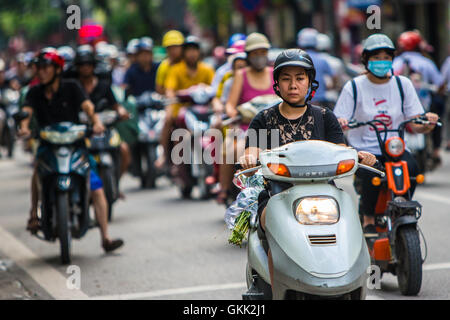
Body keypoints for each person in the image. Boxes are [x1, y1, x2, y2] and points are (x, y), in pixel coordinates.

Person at [238, 48, 376, 294]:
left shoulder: (325, 117)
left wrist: (358, 154)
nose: (293, 85)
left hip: (327, 194)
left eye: (300, 78)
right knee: (269, 227)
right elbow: (252, 151)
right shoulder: (263, 119)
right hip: (276, 194)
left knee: (350, 223)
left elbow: (341, 149)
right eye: (286, 78)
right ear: (277, 85)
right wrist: (249, 157)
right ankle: (277, 291)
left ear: (310, 83)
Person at [333, 33, 439, 237]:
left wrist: (427, 123)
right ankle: (368, 219)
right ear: (365, 60)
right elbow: (338, 121)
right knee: (371, 175)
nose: (382, 62)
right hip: (366, 149)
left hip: (395, 147)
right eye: (376, 58)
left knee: (413, 170)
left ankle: (402, 203)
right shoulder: (354, 87)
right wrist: (342, 122)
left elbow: (416, 122)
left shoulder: (403, 84)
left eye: (386, 57)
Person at [18, 49, 123, 252]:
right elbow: (26, 113)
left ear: (57, 69)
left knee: (97, 188)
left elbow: (88, 107)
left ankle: (106, 237)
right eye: (39, 68)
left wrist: (96, 123)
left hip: (76, 148)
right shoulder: (34, 92)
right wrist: (23, 127)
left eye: (46, 68)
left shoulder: (72, 87)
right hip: (48, 148)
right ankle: (33, 215)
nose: (41, 72)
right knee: (37, 174)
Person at [216, 32, 274, 204]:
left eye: (262, 53)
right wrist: (232, 112)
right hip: (247, 128)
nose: (259, 57)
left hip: (274, 128)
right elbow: (230, 104)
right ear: (248, 56)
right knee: (231, 149)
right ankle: (225, 189)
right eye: (255, 54)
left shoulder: (274, 73)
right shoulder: (241, 75)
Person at [154, 35, 215, 170]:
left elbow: (215, 89)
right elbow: (169, 90)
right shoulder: (174, 69)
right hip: (180, 108)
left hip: (202, 108)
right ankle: (167, 156)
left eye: (195, 50)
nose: (192, 53)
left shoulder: (207, 69)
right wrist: (172, 97)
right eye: (189, 50)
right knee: (169, 120)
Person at [74, 46, 131, 188]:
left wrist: (122, 112)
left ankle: (116, 183)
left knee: (124, 150)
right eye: (82, 64)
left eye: (88, 64)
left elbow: (116, 105)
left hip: (104, 129)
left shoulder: (104, 85)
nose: (85, 68)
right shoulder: (74, 87)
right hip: (83, 132)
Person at [393, 30, 446, 166]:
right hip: (423, 106)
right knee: (436, 118)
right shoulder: (426, 62)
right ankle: (436, 151)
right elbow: (440, 84)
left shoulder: (395, 62)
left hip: (401, 109)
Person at [297, 28, 337, 108]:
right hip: (320, 102)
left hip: (302, 101)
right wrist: (329, 87)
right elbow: (334, 77)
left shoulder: (298, 60)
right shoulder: (322, 60)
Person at [155, 30, 185, 94]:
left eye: (175, 47)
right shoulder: (164, 66)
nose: (172, 51)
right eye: (169, 48)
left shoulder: (188, 63)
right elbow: (159, 89)